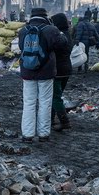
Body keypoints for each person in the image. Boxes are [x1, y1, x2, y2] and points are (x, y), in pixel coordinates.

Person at [18, 8, 64, 143]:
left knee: (29, 103)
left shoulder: (23, 31)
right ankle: (43, 134)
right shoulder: (51, 30)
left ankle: (27, 134)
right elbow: (63, 44)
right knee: (45, 102)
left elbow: (22, 48)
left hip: (27, 72)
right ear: (45, 16)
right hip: (46, 72)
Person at [51, 13, 72, 131]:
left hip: (58, 70)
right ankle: (51, 119)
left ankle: (64, 121)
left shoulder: (60, 36)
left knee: (55, 97)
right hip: (66, 69)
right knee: (56, 96)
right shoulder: (68, 34)